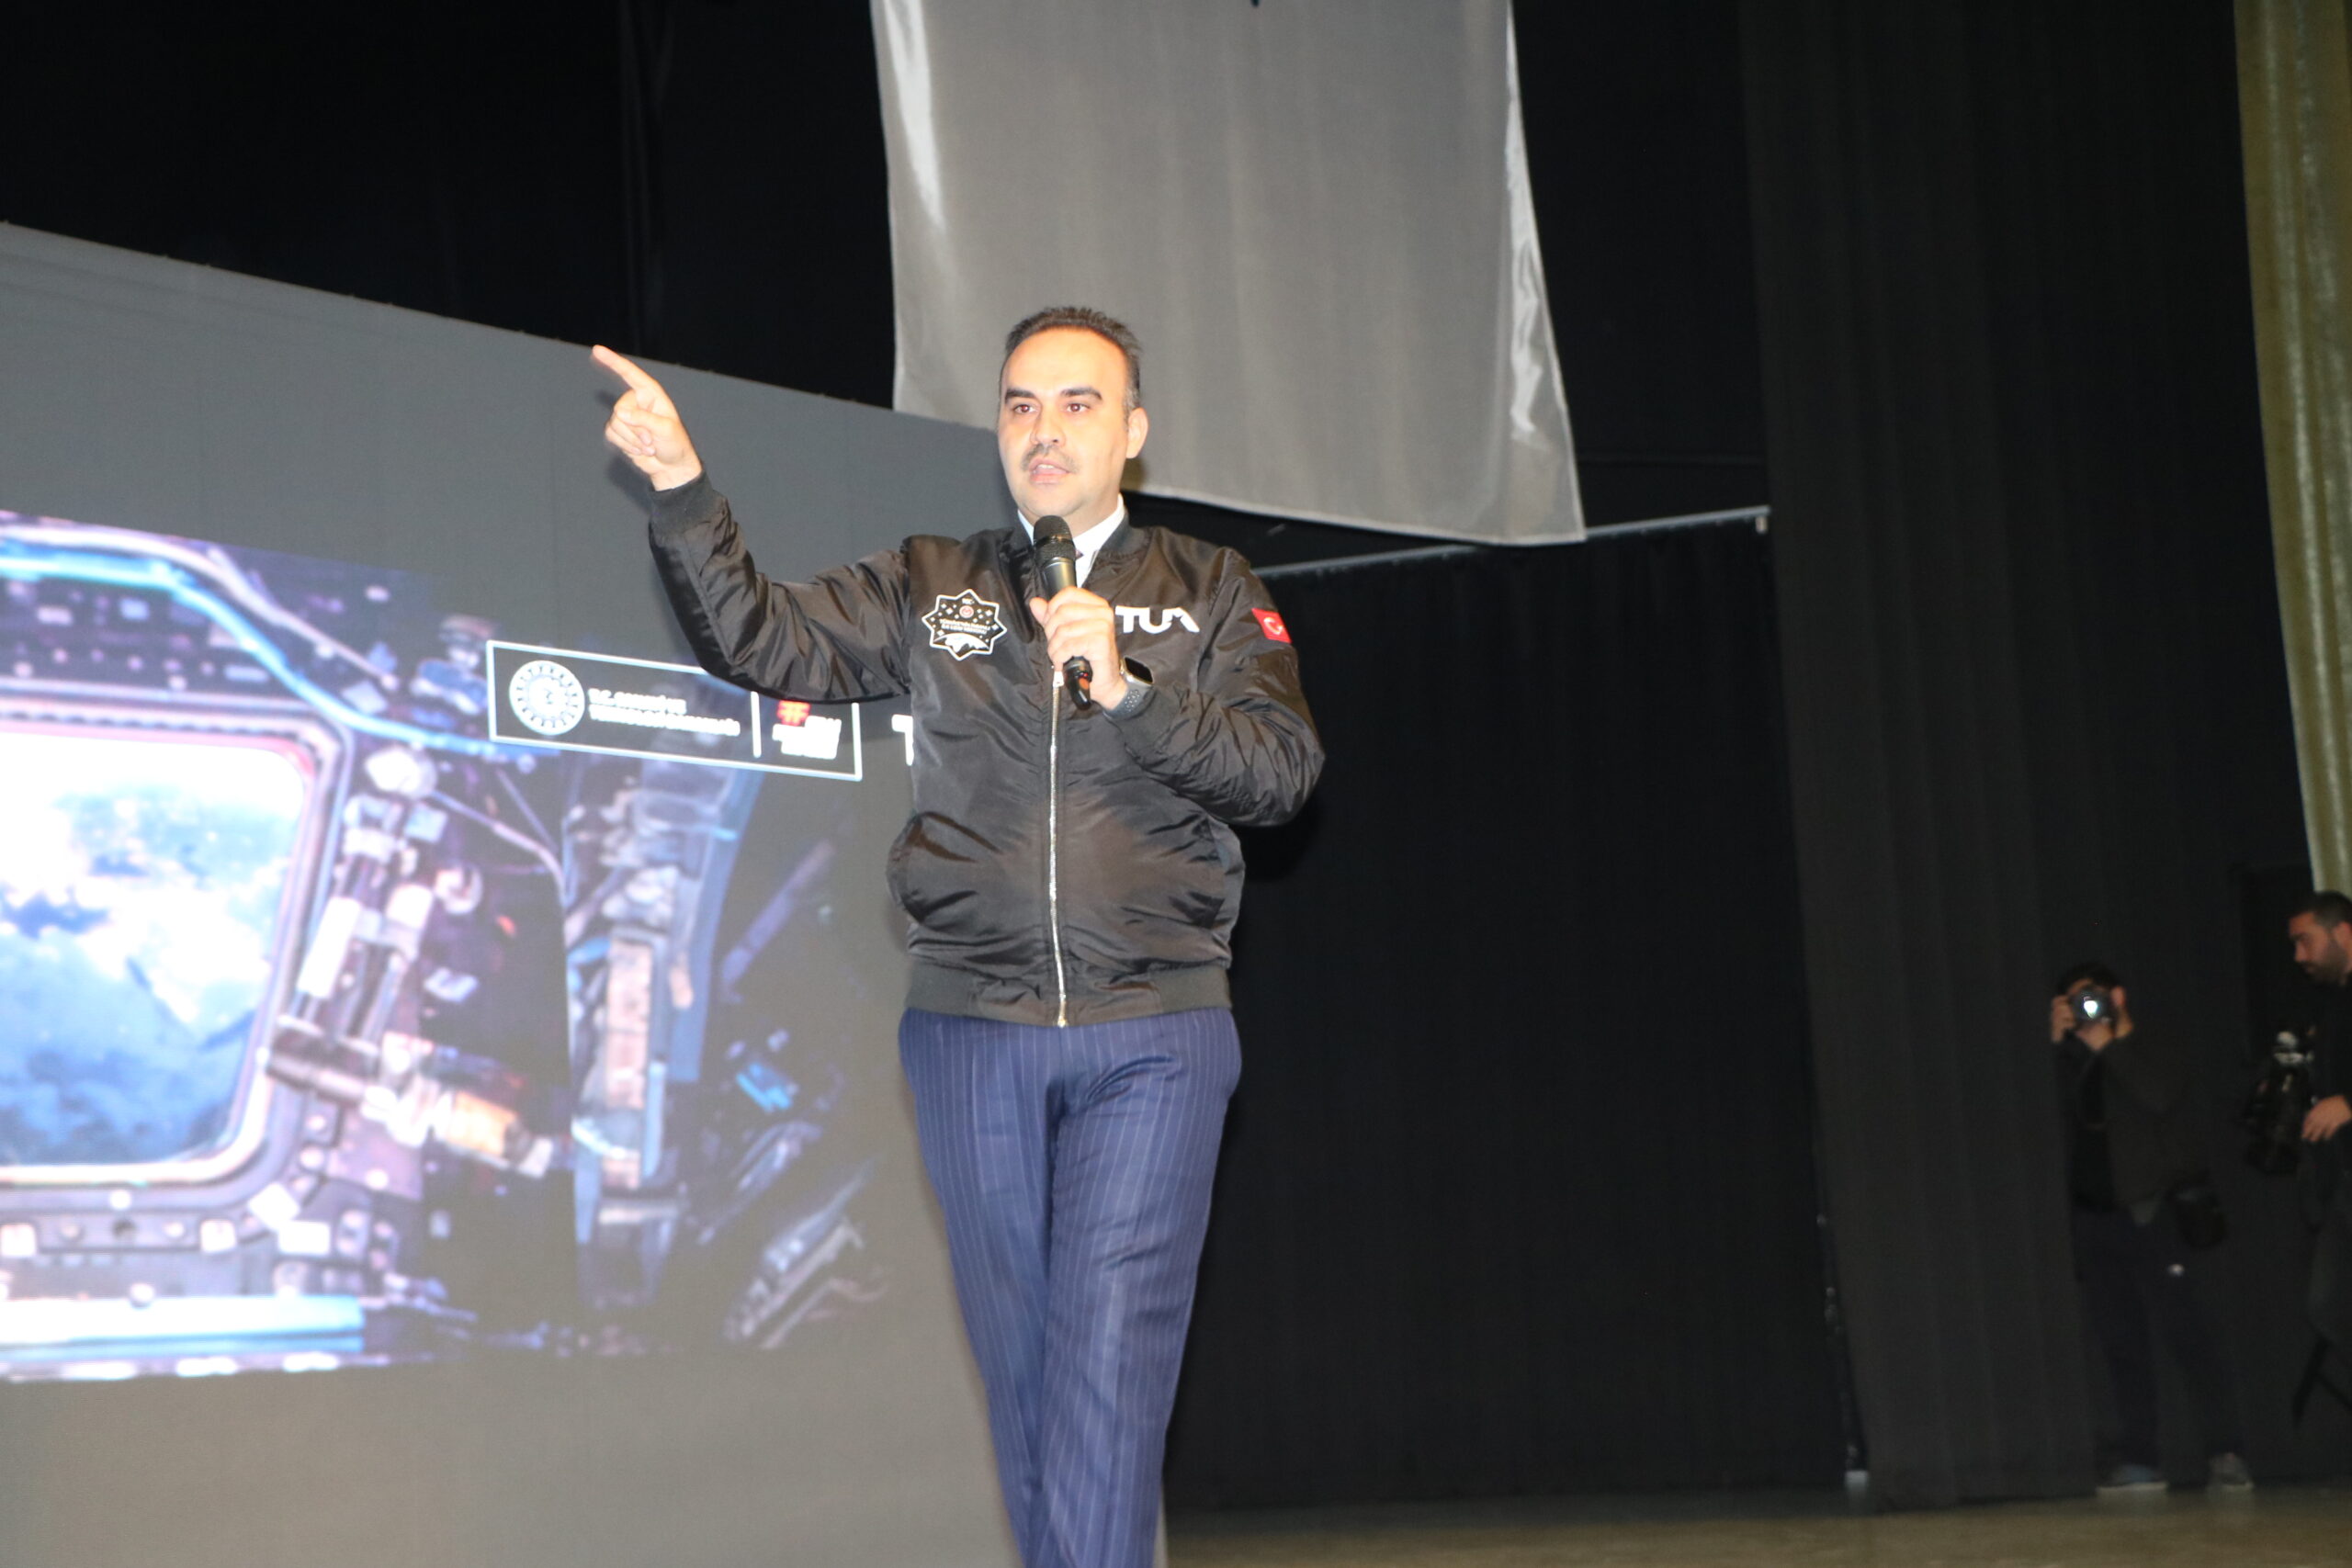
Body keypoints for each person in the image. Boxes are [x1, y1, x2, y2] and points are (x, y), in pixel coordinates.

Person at [594, 308, 1323, 1568]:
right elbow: (766, 637)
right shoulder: (937, 581)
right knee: (1032, 1389)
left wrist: (1131, 692)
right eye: (1021, 404)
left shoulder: (1209, 588)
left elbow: (1281, 774)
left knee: (1105, 1373)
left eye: (1079, 403)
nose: (1045, 429)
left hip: (1154, 1029)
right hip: (970, 1033)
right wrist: (681, 491)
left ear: (1133, 433)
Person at [2047, 962, 2250, 1494]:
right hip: (2099, 1218)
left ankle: (2226, 1451)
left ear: (2117, 996)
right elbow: (2069, 1122)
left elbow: (2158, 1095)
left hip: (2157, 1212)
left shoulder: (2156, 1045)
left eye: (2092, 996)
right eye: (2075, 1001)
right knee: (2121, 1345)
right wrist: (2063, 1049)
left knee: (2191, 1336)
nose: (2087, 1009)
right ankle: (2140, 1458)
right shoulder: (2078, 1060)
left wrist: (2108, 1045)